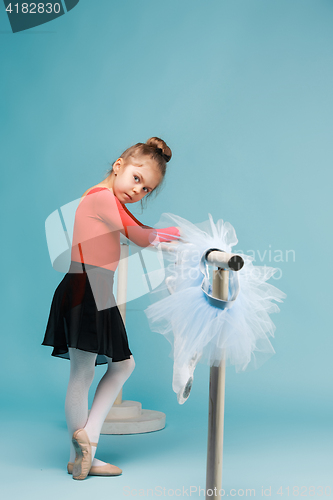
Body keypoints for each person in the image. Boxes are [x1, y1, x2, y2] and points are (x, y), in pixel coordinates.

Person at [42, 137, 180, 480]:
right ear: (119, 165)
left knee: (123, 365)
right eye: (136, 178)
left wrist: (169, 240)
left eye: (146, 189)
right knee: (83, 373)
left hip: (96, 291)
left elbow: (141, 232)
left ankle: (86, 441)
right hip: (84, 288)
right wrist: (182, 236)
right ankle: (82, 452)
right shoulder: (101, 198)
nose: (138, 191)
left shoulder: (112, 201)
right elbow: (141, 235)